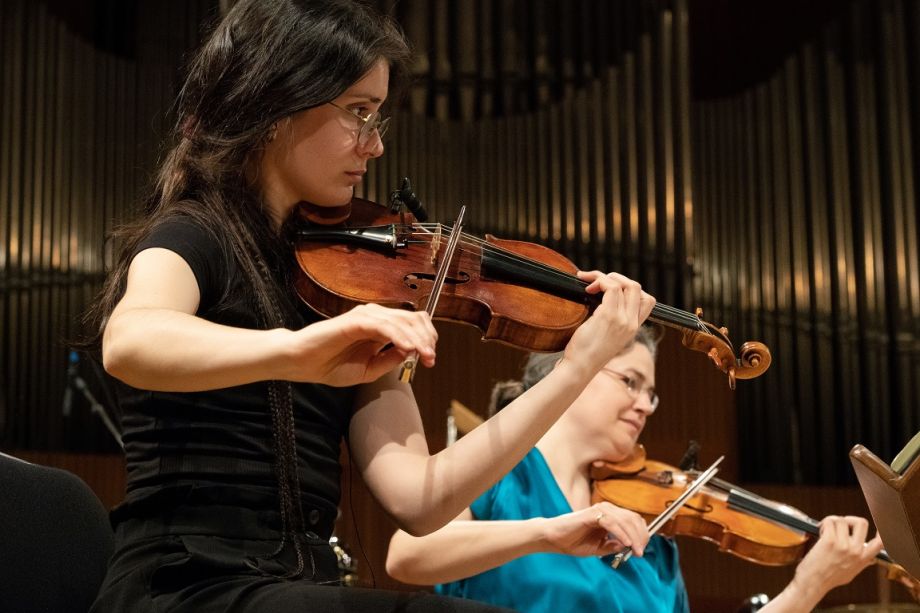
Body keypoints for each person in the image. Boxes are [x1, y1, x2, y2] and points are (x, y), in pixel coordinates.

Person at [81, 1, 656, 611]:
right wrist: (303, 352)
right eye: (358, 113)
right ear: (278, 104)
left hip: (297, 591)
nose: (375, 145)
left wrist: (576, 370)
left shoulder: (349, 285)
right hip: (184, 587)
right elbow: (131, 340)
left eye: (378, 117)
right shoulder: (191, 234)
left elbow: (423, 498)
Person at [386, 327, 885, 612]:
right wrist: (547, 533)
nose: (646, 405)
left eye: (652, 393)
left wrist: (808, 588)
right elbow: (405, 555)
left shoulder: (651, 531)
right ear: (572, 371)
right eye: (631, 382)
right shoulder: (500, 473)